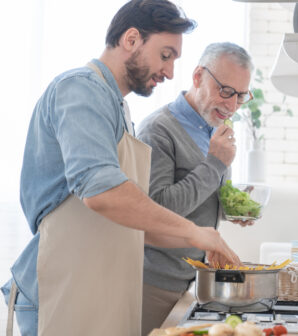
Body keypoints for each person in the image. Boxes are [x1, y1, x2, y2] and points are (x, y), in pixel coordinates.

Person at [1, 2, 241, 336]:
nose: (170, 72)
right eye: (166, 55)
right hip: (64, 286)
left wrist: (207, 240)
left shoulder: (117, 106)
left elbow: (144, 225)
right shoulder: (80, 89)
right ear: (131, 39)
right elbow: (103, 192)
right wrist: (194, 232)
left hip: (99, 287)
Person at [136, 42, 254, 335]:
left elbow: (199, 196)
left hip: (194, 282)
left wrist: (230, 208)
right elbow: (157, 210)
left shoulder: (213, 128)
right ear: (198, 76)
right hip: (154, 284)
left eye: (240, 96)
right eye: (225, 91)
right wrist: (215, 163)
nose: (231, 105)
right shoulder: (158, 130)